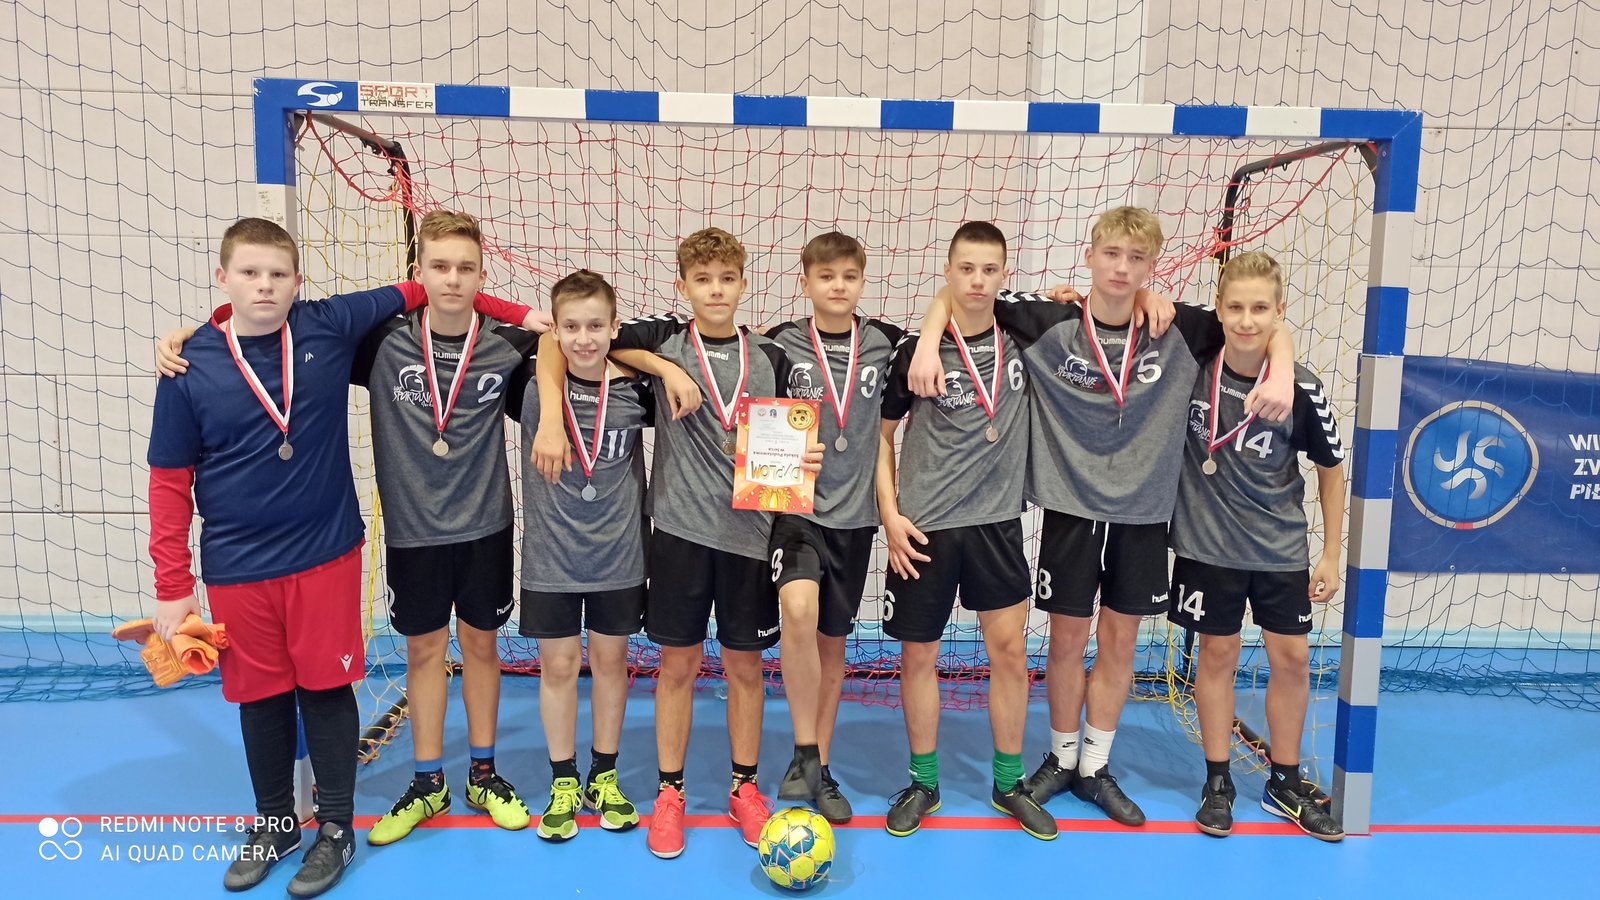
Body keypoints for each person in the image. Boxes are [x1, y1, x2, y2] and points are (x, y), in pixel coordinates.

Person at [146, 217, 536, 897]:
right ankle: (276, 822)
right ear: (222, 278)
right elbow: (168, 480)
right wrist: (173, 585)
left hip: (328, 552)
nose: (264, 286)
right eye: (249, 273)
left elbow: (431, 291)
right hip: (239, 564)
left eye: (277, 274)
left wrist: (525, 314)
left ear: (298, 282)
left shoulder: (327, 327)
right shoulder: (193, 364)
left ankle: (337, 827)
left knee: (330, 689)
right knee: (260, 696)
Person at [907, 206, 1293, 826]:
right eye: (1111, 254)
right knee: (1066, 639)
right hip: (1071, 509)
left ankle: (1094, 764)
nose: (1122, 268)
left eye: (1137, 259)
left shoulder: (1180, 327)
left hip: (1144, 515)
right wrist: (928, 340)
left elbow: (1260, 326)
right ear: (1089, 256)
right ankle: (1061, 758)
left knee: (1119, 641)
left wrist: (1286, 366)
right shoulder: (1048, 320)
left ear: (1152, 266)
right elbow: (962, 294)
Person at [530, 227, 821, 859]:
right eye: (703, 280)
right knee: (678, 667)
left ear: (743, 284)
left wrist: (803, 458)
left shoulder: (769, 356)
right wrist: (666, 368)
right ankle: (670, 793)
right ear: (682, 285)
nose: (716, 291)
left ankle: (744, 788)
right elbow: (562, 342)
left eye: (727, 279)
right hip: (680, 536)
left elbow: (785, 439)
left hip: (749, 535)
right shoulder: (660, 342)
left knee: (745, 668)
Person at [348, 210, 541, 847]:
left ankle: (483, 775)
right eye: (440, 267)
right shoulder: (380, 343)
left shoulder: (508, 346)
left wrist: (529, 319)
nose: (453, 279)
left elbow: (590, 345)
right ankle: (428, 781)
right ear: (418, 273)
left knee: (482, 648)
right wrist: (206, 326)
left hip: (485, 526)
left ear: (482, 276)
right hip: (414, 532)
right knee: (425, 651)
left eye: (466, 268)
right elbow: (294, 328)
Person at [877, 221, 1056, 840]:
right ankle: (924, 782)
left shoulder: (1024, 333)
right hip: (925, 527)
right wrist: (890, 515)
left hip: (997, 524)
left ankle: (1008, 782)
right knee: (919, 655)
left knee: (1009, 654)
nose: (977, 281)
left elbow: (1100, 306)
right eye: (966, 269)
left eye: (990, 269)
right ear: (948, 271)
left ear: (1004, 274)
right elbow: (882, 438)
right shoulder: (914, 352)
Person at [1165, 250, 1346, 842]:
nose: (1247, 320)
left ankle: (1284, 781)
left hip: (1278, 549)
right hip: (1207, 546)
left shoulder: (1303, 387)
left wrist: (1331, 553)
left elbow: (1331, 471)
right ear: (1218, 308)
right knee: (1216, 657)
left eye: (1260, 309)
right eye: (1236, 307)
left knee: (1291, 659)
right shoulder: (1193, 363)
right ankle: (1218, 780)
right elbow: (1143, 303)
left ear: (1279, 311)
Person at [763, 232, 905, 824]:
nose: (838, 286)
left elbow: (952, 319)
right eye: (825, 277)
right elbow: (748, 416)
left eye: (849, 276)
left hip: (856, 517)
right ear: (805, 283)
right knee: (797, 609)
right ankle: (802, 751)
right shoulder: (778, 344)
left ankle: (817, 765)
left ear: (862, 281)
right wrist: (781, 456)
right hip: (798, 512)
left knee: (832, 645)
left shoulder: (885, 343)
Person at [515, 270, 653, 841]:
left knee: (612, 663)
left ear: (615, 327)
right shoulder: (529, 386)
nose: (584, 338)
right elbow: (513, 334)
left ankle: (604, 775)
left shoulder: (636, 390)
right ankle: (564, 780)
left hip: (619, 555)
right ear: (555, 330)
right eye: (570, 327)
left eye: (596, 326)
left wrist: (665, 368)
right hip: (551, 556)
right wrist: (551, 411)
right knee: (558, 666)